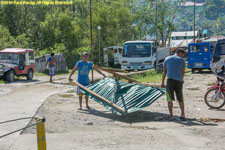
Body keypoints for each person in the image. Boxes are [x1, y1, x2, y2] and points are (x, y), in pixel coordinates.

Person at [161, 49, 186, 121]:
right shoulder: (181, 60)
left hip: (170, 81)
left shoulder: (167, 58)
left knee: (169, 99)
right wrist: (182, 79)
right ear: (180, 53)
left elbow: (164, 71)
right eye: (183, 54)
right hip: (179, 81)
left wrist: (162, 82)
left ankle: (171, 115)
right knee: (180, 98)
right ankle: (182, 114)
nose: (182, 56)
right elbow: (183, 72)